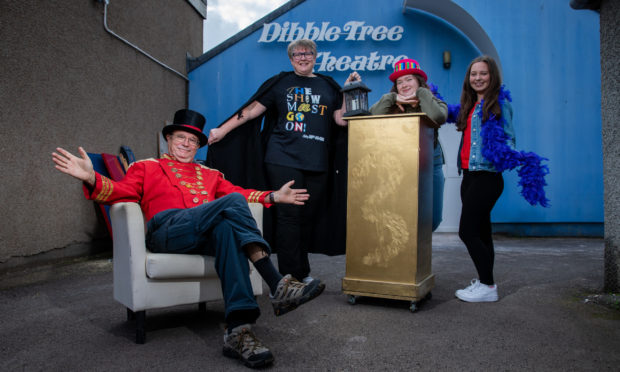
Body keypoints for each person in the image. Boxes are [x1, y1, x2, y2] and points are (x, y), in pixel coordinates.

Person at [52, 109, 325, 369]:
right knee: (230, 203)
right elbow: (119, 192)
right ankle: (276, 283)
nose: (186, 143)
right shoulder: (146, 167)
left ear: (198, 146)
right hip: (166, 232)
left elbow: (239, 194)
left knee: (227, 230)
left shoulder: (211, 175)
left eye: (193, 140)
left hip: (202, 233)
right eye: (181, 137)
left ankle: (239, 331)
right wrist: (91, 176)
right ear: (168, 139)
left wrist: (274, 196)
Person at [207, 39, 360, 284]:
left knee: (307, 217)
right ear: (291, 59)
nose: (302, 57)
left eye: (307, 53)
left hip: (317, 161)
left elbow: (341, 121)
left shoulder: (328, 85)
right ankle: (289, 278)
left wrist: (349, 91)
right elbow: (252, 110)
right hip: (283, 157)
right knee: (289, 215)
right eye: (297, 54)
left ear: (314, 56)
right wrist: (223, 130)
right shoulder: (281, 82)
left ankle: (302, 272)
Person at [452, 56, 515, 303]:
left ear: (492, 77)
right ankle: (485, 283)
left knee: (467, 232)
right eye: (473, 74)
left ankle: (488, 286)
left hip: (487, 176)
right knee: (482, 232)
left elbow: (510, 138)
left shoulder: (499, 104)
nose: (478, 78)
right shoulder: (468, 105)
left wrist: (504, 154)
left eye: (483, 74)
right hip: (468, 175)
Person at [369, 58, 448, 231]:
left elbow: (438, 116)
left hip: (430, 164)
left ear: (419, 82)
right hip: (401, 165)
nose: (404, 84)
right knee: (402, 215)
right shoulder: (390, 104)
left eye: (409, 79)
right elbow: (373, 116)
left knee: (432, 219)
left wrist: (421, 94)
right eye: (399, 82)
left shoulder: (432, 101)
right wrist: (392, 98)